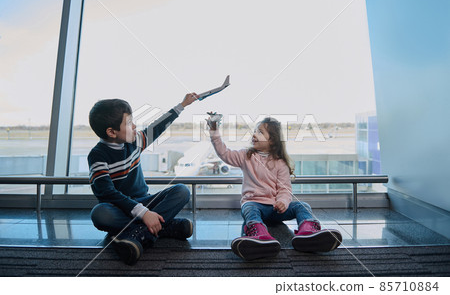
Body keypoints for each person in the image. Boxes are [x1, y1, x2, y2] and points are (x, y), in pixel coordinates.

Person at [206, 114, 342, 261]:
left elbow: (285, 189)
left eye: (260, 132)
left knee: (302, 205)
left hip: (275, 208)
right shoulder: (246, 156)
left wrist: (283, 201)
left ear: (272, 140)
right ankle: (258, 235)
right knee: (249, 208)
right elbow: (224, 153)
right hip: (255, 205)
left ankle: (308, 233)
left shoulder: (280, 163)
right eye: (255, 131)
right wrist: (214, 130)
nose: (254, 134)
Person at [88, 93, 198, 265]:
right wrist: (143, 213)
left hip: (145, 202)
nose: (135, 126)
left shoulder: (134, 141)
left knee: (182, 191)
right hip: (119, 208)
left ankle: (137, 234)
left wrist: (182, 105)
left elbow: (158, 126)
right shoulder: (97, 155)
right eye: (129, 123)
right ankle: (164, 226)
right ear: (111, 132)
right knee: (100, 214)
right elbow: (106, 192)